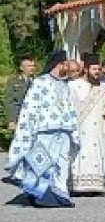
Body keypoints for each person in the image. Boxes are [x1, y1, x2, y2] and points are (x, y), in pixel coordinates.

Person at [3, 50, 80, 208]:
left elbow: (70, 107)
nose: (68, 66)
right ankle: (41, 196)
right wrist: (27, 129)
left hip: (64, 130)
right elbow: (30, 108)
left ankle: (60, 194)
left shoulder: (65, 85)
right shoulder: (40, 82)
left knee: (62, 164)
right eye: (65, 63)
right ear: (58, 64)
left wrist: (74, 128)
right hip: (44, 131)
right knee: (42, 164)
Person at [68, 53, 105, 196]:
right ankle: (78, 186)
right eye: (94, 69)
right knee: (82, 154)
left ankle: (96, 186)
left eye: (98, 69)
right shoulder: (73, 86)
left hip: (99, 126)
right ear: (85, 69)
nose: (97, 72)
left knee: (98, 153)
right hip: (82, 128)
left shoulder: (104, 87)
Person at [4, 55, 36, 130]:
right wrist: (11, 121)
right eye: (29, 66)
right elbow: (9, 102)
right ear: (21, 68)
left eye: (33, 66)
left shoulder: (38, 81)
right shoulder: (13, 82)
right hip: (19, 119)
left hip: (35, 119)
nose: (32, 68)